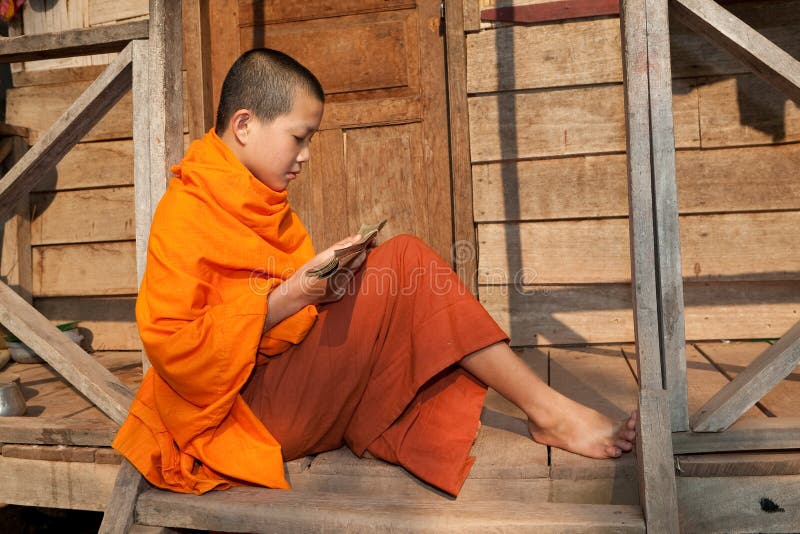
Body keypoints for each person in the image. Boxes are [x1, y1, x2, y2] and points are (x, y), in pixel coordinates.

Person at [113, 48, 636, 497]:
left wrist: (329, 284)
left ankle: (546, 411)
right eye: (299, 137)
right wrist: (295, 295)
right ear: (245, 125)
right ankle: (548, 413)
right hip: (233, 416)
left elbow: (283, 313)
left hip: (276, 383)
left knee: (394, 270)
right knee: (406, 260)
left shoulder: (262, 199)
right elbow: (173, 348)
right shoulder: (187, 208)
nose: (307, 155)